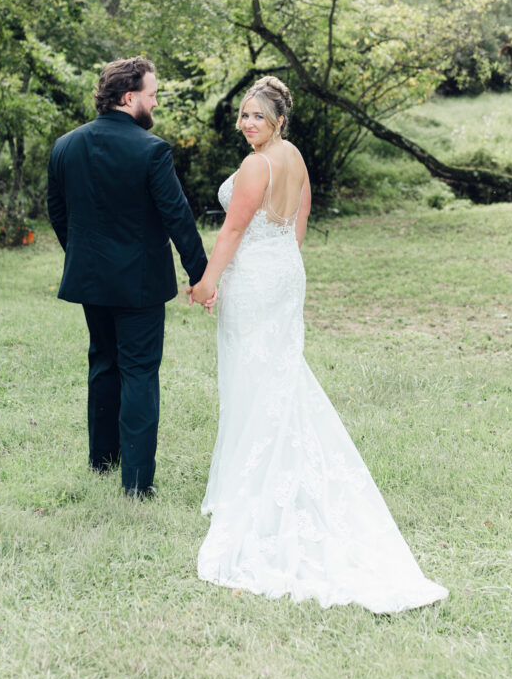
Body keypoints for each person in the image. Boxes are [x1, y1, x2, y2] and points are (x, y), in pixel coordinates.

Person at [190, 75, 447, 612]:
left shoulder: (256, 165)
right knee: (276, 371)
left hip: (259, 276)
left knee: (253, 375)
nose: (246, 124)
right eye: (243, 115)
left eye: (257, 116)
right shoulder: (294, 156)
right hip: (284, 268)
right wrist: (285, 251)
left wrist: (209, 281)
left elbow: (233, 231)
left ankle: (255, 486)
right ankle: (257, 470)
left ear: (278, 120)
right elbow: (301, 210)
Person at [47, 56, 215, 498]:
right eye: (152, 95)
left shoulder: (65, 145)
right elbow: (178, 217)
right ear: (128, 97)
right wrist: (202, 276)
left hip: (90, 280)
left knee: (103, 362)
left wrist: (83, 258)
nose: (156, 103)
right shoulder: (151, 149)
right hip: (139, 285)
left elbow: (58, 214)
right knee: (139, 372)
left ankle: (102, 461)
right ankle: (137, 485)